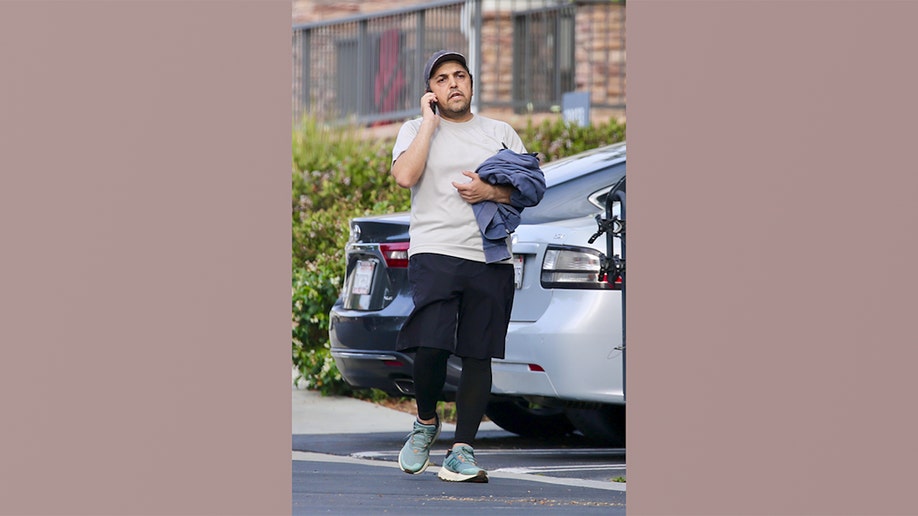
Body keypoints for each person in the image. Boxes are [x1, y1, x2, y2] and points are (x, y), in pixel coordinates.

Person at [391, 50, 543, 483]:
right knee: (432, 344)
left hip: (490, 255)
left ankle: (462, 452)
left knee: (479, 354)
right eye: (442, 79)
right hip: (435, 250)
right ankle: (424, 422)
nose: (453, 83)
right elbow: (405, 176)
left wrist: (489, 192)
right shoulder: (415, 130)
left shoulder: (500, 132)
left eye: (460, 75)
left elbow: (530, 189)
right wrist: (430, 124)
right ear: (431, 91)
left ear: (471, 83)